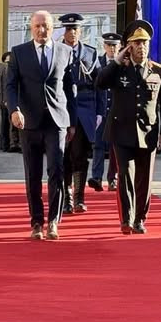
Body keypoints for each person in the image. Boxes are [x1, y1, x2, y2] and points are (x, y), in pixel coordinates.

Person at [95, 19, 161, 235]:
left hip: (148, 133)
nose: (141, 47)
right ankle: (126, 219)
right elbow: (100, 83)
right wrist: (116, 61)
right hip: (122, 131)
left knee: (144, 179)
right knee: (125, 176)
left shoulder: (159, 71)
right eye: (137, 43)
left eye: (144, 43)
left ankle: (139, 218)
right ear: (129, 46)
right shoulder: (119, 69)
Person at [6, 10, 76, 241]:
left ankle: (53, 221)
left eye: (45, 25)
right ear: (31, 28)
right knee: (33, 174)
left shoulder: (65, 51)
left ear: (52, 28)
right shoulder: (19, 53)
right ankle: (36, 222)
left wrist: (72, 121)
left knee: (56, 171)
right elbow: (11, 85)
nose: (41, 30)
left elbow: (70, 88)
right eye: (37, 26)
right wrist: (14, 110)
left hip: (56, 122)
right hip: (29, 122)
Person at [58, 13, 103, 214]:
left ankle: (79, 198)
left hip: (85, 109)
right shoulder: (55, 50)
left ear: (80, 31)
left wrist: (100, 111)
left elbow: (100, 85)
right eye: (68, 29)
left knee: (80, 155)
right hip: (62, 107)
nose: (72, 33)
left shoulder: (90, 53)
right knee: (63, 156)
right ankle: (66, 199)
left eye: (75, 29)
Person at [89, 32, 120, 192]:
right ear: (104, 46)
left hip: (117, 112)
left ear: (119, 47)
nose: (112, 49)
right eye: (109, 45)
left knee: (115, 147)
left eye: (115, 46)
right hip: (101, 112)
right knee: (98, 146)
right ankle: (97, 177)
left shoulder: (123, 64)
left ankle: (113, 178)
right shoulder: (97, 63)